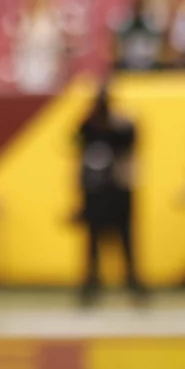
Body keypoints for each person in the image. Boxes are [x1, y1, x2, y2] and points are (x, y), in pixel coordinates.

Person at [75, 83, 145, 306]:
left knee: (125, 242)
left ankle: (132, 284)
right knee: (93, 243)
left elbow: (132, 139)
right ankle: (91, 285)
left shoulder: (122, 126)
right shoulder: (89, 126)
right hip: (96, 194)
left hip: (117, 193)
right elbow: (76, 139)